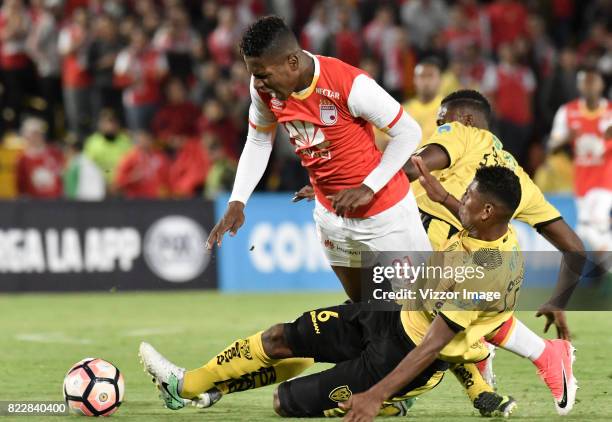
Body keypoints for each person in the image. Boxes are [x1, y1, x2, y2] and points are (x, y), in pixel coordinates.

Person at [139, 165, 575, 420]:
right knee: (279, 337)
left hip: (406, 354)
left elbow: (431, 346)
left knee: (283, 404)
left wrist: (377, 394)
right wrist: (436, 190)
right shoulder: (487, 225)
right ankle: (189, 386)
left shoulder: (488, 271)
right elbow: (451, 205)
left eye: (466, 197)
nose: (457, 200)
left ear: (486, 211)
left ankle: (391, 402)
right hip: (388, 312)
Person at [296, 89, 584, 415]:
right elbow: (574, 247)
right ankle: (507, 361)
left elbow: (410, 166)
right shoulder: (518, 180)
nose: (438, 126)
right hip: (475, 259)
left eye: (442, 119)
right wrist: (559, 300)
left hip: (437, 252)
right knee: (413, 324)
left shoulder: (461, 132)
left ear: (466, 119)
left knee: (396, 324)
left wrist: (349, 186)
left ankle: (389, 393)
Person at [207, 16, 429, 302]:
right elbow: (259, 140)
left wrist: (368, 187)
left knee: (427, 307)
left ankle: (485, 343)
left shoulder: (349, 84)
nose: (258, 83)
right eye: (254, 74)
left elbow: (409, 133)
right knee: (363, 308)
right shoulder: (263, 90)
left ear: (292, 62)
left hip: (384, 212)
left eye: (263, 74)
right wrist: (237, 201)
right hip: (330, 215)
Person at [548, 68, 612, 252]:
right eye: (586, 81)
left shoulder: (609, 111)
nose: (590, 85)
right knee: (586, 229)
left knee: (596, 220)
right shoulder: (567, 111)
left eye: (593, 81)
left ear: (601, 84)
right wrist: (567, 138)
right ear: (579, 85)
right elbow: (551, 147)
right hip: (582, 180)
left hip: (606, 179)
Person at [403, 57, 444, 141]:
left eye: (430, 76)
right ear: (414, 80)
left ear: (440, 80)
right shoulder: (404, 111)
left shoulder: (451, 111)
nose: (426, 81)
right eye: (422, 76)